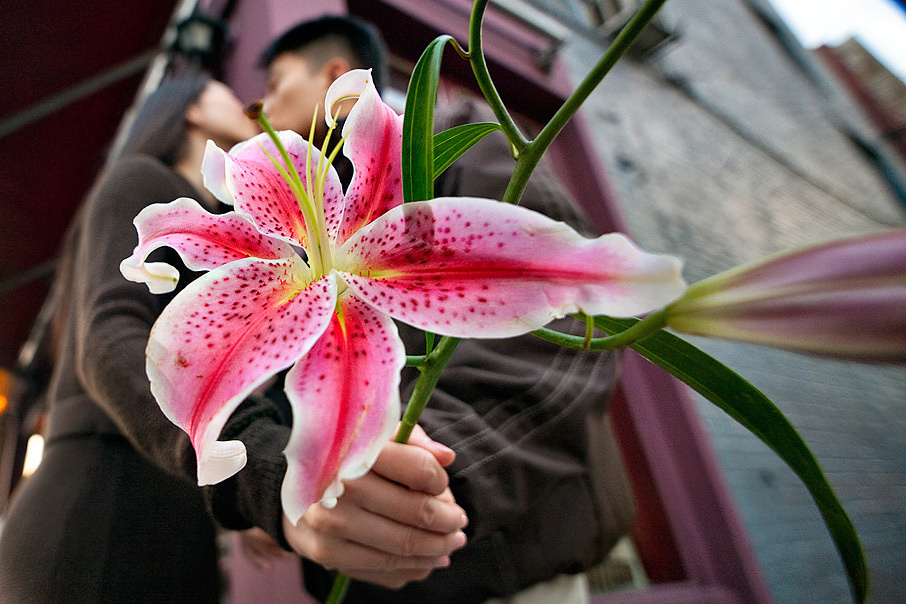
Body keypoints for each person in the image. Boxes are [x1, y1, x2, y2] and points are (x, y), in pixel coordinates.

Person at [251, 15, 635, 603]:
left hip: (503, 563)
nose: (264, 104)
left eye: (277, 83)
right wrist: (280, 484)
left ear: (336, 80)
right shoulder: (311, 235)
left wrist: (428, 483)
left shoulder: (453, 138)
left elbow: (561, 312)